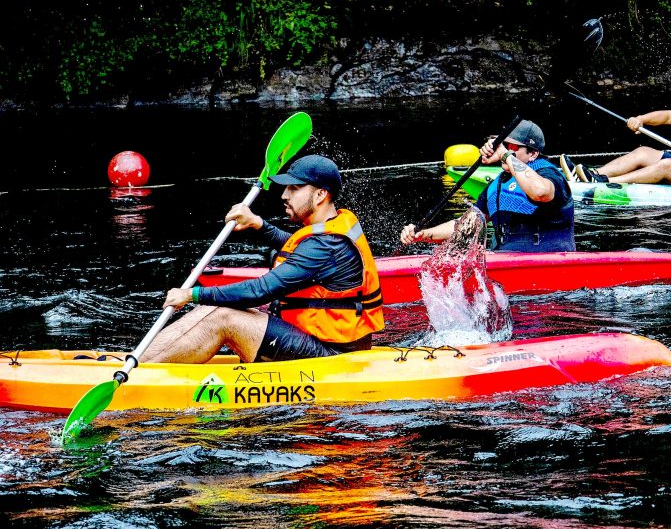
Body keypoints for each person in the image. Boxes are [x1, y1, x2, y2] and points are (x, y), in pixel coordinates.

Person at [143, 155, 384, 365]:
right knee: (222, 308)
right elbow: (298, 246)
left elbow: (262, 290)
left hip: (331, 355)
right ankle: (142, 360)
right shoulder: (330, 227)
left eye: (294, 188)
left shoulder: (325, 246)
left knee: (221, 316)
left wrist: (192, 295)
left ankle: (140, 369)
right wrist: (258, 224)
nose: (284, 195)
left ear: (320, 194)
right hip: (326, 342)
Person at [401, 119, 575, 252]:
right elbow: (466, 226)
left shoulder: (550, 175)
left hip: (551, 261)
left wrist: (506, 155)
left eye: (513, 146)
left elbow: (540, 192)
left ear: (533, 153)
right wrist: (424, 235)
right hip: (508, 262)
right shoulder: (496, 186)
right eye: (503, 145)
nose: (505, 150)